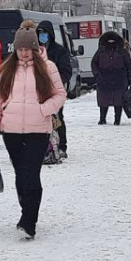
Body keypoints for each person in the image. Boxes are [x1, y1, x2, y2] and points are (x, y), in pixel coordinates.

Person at [0, 25, 66, 240]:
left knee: (31, 175)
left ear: (35, 47)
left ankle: (29, 221)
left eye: (27, 48)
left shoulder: (48, 68)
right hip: (11, 131)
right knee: (21, 176)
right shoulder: (7, 70)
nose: (24, 53)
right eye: (20, 49)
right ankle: (26, 209)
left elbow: (60, 95)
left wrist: (43, 110)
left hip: (38, 131)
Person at [37, 20, 72, 159]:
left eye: (44, 33)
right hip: (39, 92)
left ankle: (62, 145)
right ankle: (45, 146)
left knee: (57, 118)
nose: (42, 36)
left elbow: (66, 71)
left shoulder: (59, 51)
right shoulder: (36, 51)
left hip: (55, 90)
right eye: (39, 34)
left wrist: (56, 81)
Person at [91, 31, 131, 125]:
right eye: (109, 41)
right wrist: (97, 74)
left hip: (119, 78)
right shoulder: (101, 51)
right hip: (104, 79)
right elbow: (94, 62)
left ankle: (117, 119)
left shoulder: (122, 51)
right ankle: (102, 118)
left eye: (113, 41)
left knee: (118, 100)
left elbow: (129, 64)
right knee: (103, 100)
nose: (111, 43)